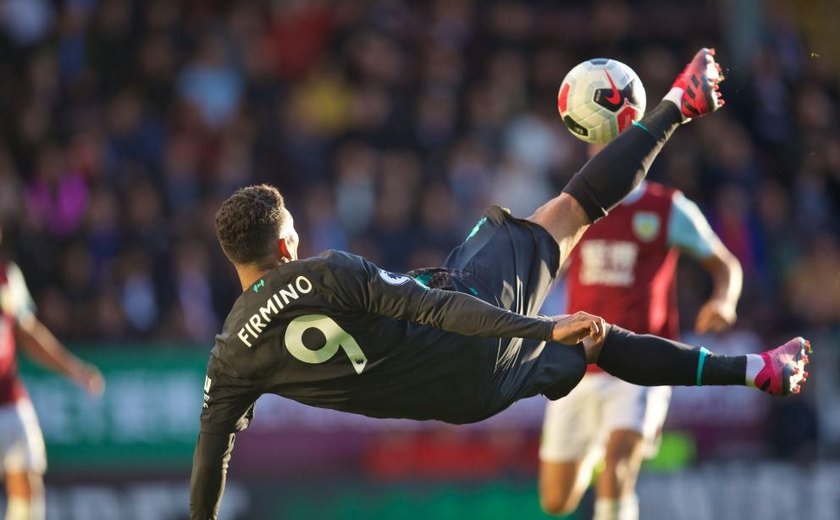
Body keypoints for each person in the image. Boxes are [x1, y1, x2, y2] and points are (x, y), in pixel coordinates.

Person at [190, 49, 811, 520]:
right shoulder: (326, 273)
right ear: (285, 245)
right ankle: (682, 103)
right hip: (473, 323)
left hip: (463, 402)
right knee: (569, 213)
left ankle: (754, 366)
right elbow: (435, 308)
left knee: (594, 348)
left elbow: (209, 463)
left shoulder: (230, 360)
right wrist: (541, 326)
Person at [538, 147, 743, 519]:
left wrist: (723, 301)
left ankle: (608, 452)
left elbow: (725, 265)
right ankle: (597, 449)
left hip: (638, 366)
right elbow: (546, 268)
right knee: (556, 500)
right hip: (577, 365)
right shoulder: (576, 207)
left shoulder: (669, 208)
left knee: (617, 471)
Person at [0, 226, 105, 520]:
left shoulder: (7, 276)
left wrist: (76, 370)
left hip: (9, 398)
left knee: (28, 484)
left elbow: (28, 333)